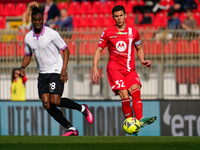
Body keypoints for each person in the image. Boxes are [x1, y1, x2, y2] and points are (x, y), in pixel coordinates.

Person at [20, 6, 93, 136]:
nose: (37, 22)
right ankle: (70, 128)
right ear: (31, 20)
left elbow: (65, 50)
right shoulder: (28, 37)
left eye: (39, 19)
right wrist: (22, 67)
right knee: (46, 103)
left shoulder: (52, 33)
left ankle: (82, 108)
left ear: (43, 19)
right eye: (34, 20)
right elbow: (27, 55)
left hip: (55, 70)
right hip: (42, 73)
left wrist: (63, 70)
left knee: (54, 100)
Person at [92, 5, 157, 129]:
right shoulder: (108, 32)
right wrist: (95, 68)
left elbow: (139, 48)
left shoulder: (134, 32)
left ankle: (140, 119)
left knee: (136, 91)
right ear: (113, 17)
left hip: (130, 69)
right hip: (114, 69)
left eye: (121, 15)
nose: (119, 18)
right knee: (124, 94)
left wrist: (142, 60)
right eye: (116, 16)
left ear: (125, 15)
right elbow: (98, 51)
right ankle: (130, 123)